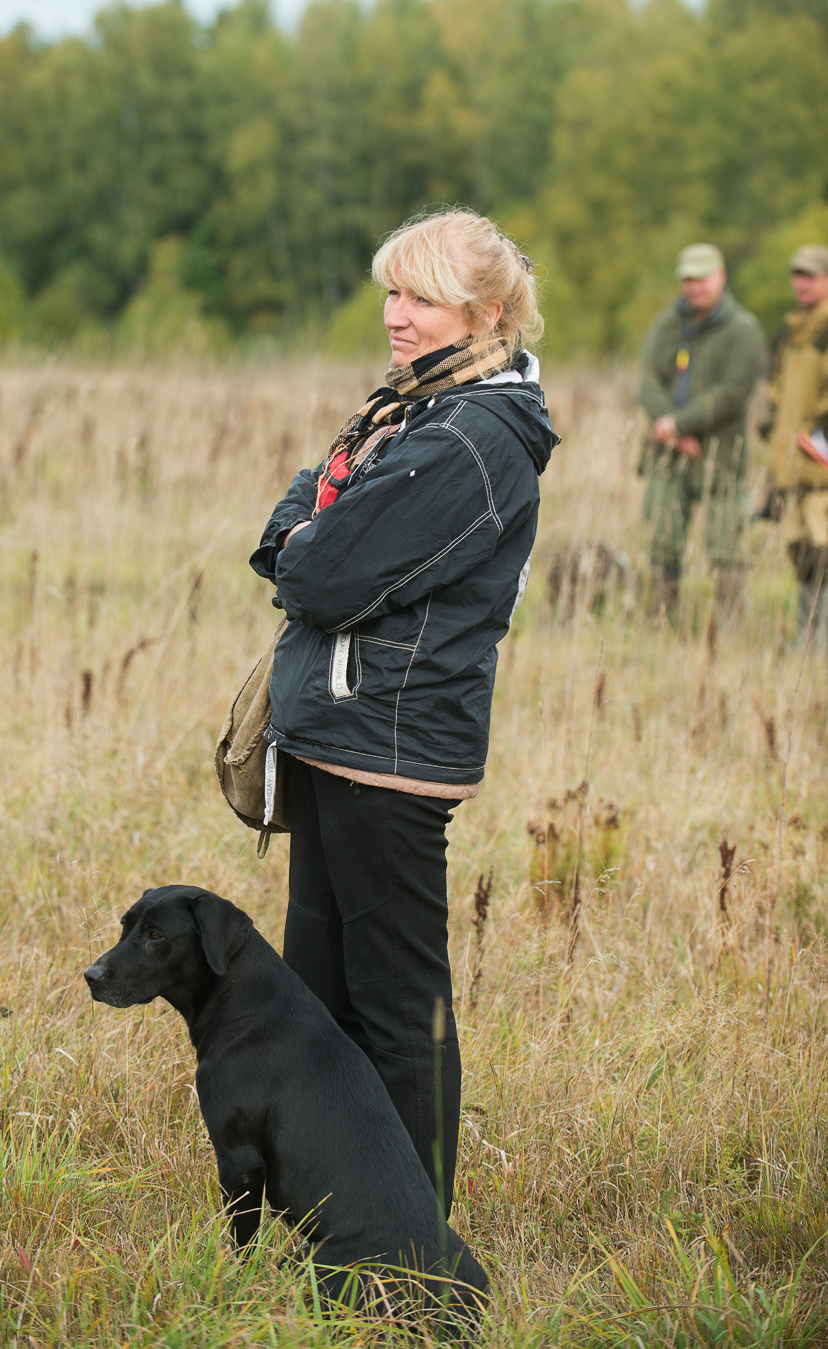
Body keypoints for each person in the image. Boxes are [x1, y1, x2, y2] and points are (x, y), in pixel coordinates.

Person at [248, 209, 558, 1217]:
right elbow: (289, 522)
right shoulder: (412, 411)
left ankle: (412, 1244)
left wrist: (305, 541)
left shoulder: (473, 436)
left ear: (489, 312)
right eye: (392, 293)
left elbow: (320, 572)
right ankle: (333, 1210)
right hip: (338, 737)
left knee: (398, 1010)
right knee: (318, 999)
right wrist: (304, 537)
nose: (395, 316)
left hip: (390, 751)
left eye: (420, 298)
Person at [638, 243, 766, 616]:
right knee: (663, 541)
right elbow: (648, 379)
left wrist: (680, 423)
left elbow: (733, 393)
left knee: (727, 548)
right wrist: (672, 431)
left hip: (722, 456)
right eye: (688, 280)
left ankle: (730, 631)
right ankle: (662, 624)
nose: (694, 287)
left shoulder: (744, 331)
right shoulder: (667, 323)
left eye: (702, 279)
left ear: (721, 277)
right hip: (668, 453)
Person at [761, 243, 828, 651]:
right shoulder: (790, 334)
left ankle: (821, 645)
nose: (802, 284)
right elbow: (776, 396)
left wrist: (816, 440)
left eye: (812, 276)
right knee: (802, 554)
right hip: (791, 466)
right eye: (797, 276)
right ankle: (807, 642)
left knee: (825, 553)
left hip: (820, 467)